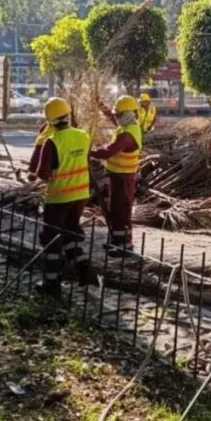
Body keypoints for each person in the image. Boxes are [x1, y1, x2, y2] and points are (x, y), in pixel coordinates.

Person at [34, 97, 96, 298]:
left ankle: (51, 283)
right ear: (68, 115)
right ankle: (86, 272)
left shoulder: (51, 141)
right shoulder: (83, 136)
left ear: (50, 120)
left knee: (51, 239)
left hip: (59, 197)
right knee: (71, 232)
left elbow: (42, 173)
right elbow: (85, 161)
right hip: (80, 195)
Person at [91, 95, 141, 255]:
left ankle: (124, 246)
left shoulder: (128, 135)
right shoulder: (127, 126)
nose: (117, 118)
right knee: (116, 210)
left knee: (121, 211)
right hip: (118, 176)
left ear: (128, 114)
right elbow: (112, 117)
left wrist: (89, 151)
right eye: (117, 114)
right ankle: (117, 241)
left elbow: (108, 152)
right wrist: (100, 104)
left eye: (119, 115)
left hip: (124, 178)